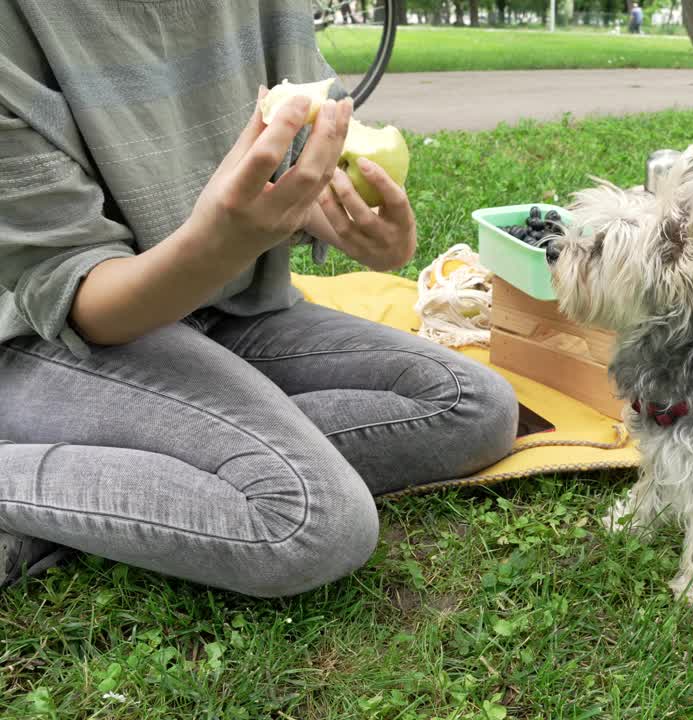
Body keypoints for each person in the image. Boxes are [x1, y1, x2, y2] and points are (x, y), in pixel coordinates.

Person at [0, 1, 519, 595]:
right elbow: (74, 295)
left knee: (474, 408)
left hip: (234, 311)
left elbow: (302, 164)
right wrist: (215, 247)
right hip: (50, 342)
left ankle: (137, 480)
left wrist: (359, 227)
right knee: (309, 521)